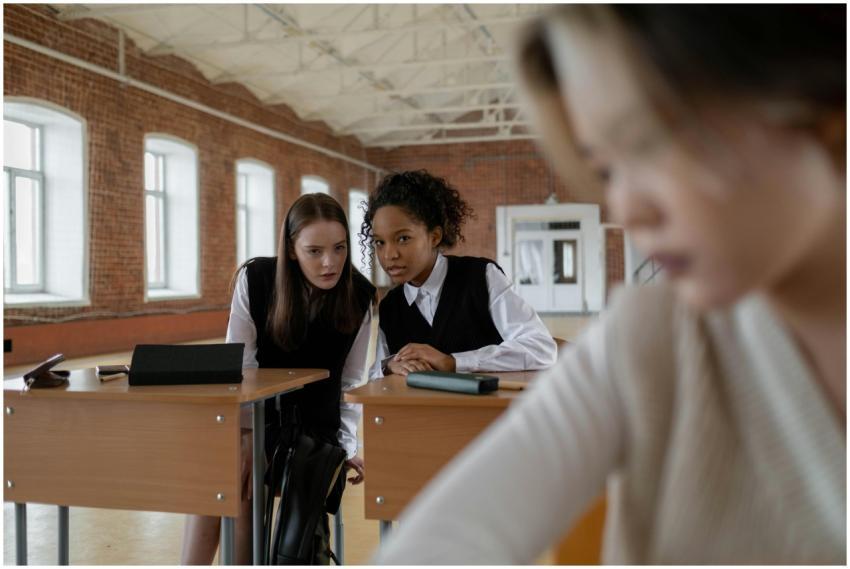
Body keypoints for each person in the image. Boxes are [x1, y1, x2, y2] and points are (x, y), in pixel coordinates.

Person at [374, 5, 845, 564]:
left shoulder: (488, 280)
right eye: (606, 169)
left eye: (649, 143)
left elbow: (534, 346)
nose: (626, 208)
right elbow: (447, 537)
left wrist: (455, 362)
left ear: (823, 111)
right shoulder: (648, 336)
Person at [181, 193, 375, 564]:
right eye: (314, 251)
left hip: (316, 432)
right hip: (259, 418)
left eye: (339, 248)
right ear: (290, 250)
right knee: (216, 470)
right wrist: (247, 440)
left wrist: (347, 447)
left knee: (242, 484)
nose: (330, 262)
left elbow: (350, 381)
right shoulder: (255, 279)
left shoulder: (360, 296)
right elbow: (240, 366)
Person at [359, 169, 557, 379]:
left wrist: (454, 362)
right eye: (379, 242)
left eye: (403, 239)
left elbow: (541, 348)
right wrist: (389, 367)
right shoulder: (391, 307)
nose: (389, 254)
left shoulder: (481, 278)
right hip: (424, 412)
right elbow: (375, 375)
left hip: (490, 410)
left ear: (434, 236)